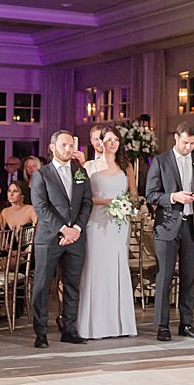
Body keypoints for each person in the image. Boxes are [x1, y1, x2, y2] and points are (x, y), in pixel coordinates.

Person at [145, 122, 194, 341]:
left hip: (192, 225)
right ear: (176, 138)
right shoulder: (160, 161)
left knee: (188, 278)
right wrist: (174, 197)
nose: (188, 147)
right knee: (164, 277)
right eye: (185, 142)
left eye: (192, 143)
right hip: (167, 226)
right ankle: (163, 325)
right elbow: (150, 195)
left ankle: (186, 323)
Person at [31, 130, 93, 348]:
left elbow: (87, 203)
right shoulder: (42, 174)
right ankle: (41, 332)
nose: (68, 149)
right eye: (64, 145)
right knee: (42, 286)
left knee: (72, 285)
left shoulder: (80, 172)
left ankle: (69, 328)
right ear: (52, 147)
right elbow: (41, 207)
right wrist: (63, 229)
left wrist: (75, 228)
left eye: (71, 145)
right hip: (49, 238)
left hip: (75, 238)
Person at [76, 125, 138, 341]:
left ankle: (120, 323)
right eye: (107, 139)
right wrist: (104, 202)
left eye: (115, 140)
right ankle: (94, 325)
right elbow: (82, 198)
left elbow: (134, 193)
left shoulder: (126, 166)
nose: (111, 143)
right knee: (96, 268)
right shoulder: (89, 166)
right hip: (97, 221)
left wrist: (127, 204)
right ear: (100, 142)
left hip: (119, 224)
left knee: (117, 268)